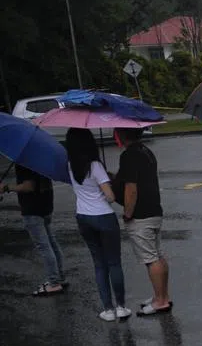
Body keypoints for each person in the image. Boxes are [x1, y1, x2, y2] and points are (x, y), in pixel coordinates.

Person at [66, 128, 128, 321]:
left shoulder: (70, 165)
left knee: (99, 265)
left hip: (83, 217)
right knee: (114, 263)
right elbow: (110, 197)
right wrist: (108, 183)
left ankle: (107, 309)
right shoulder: (95, 166)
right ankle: (121, 307)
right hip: (103, 217)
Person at [113, 127, 171, 316]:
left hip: (141, 214)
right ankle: (162, 295)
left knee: (150, 258)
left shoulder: (129, 156)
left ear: (121, 134)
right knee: (157, 255)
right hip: (154, 209)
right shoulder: (146, 151)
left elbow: (131, 188)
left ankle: (160, 301)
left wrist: (128, 213)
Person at [2, 164, 65, 295]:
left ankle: (54, 283)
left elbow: (28, 186)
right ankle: (59, 277)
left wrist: (7, 187)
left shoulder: (24, 162)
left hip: (32, 209)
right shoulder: (40, 159)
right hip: (46, 205)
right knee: (51, 243)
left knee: (44, 246)